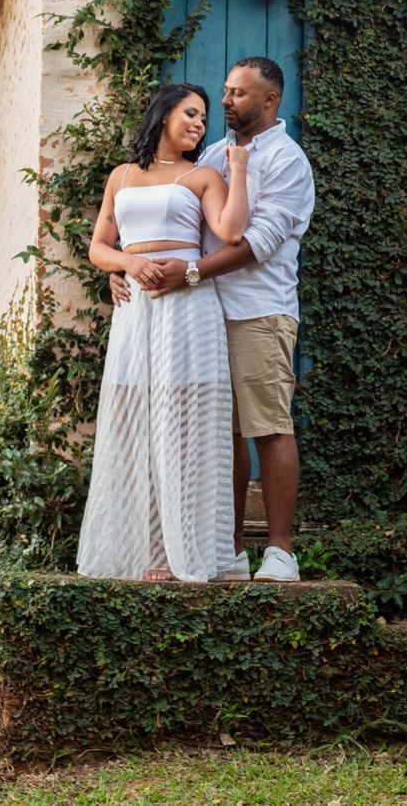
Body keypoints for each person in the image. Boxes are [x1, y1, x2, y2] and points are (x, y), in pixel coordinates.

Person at [113, 57, 315, 582]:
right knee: (218, 435)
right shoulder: (208, 155)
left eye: (237, 93)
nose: (224, 101)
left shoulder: (287, 161)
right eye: (224, 91)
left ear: (270, 100)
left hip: (256, 312)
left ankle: (280, 552)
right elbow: (172, 226)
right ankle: (229, 551)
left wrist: (190, 274)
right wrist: (124, 267)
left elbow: (257, 243)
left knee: (266, 426)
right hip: (198, 316)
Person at [76, 83, 250, 582]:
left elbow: (232, 231)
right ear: (164, 112)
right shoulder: (121, 176)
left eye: (203, 118)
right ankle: (146, 548)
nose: (199, 123)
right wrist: (128, 264)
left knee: (184, 424)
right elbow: (98, 247)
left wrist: (238, 169)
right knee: (135, 422)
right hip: (136, 309)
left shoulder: (204, 176)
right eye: (190, 113)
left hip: (187, 308)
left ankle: (183, 553)